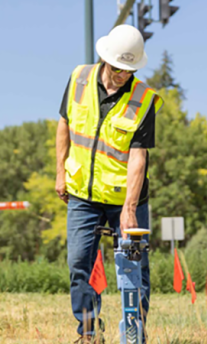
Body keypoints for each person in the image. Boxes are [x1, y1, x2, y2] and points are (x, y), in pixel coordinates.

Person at [55, 25, 164, 343]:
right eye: (117, 67)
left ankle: (134, 334)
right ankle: (89, 332)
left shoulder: (143, 100)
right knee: (78, 264)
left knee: (134, 268)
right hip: (82, 196)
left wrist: (130, 208)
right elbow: (64, 124)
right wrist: (60, 173)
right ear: (105, 59)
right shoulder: (79, 78)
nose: (121, 75)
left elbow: (138, 157)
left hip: (126, 201)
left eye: (128, 69)